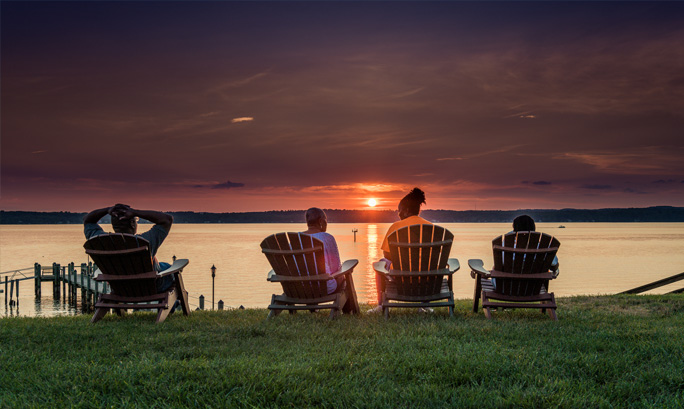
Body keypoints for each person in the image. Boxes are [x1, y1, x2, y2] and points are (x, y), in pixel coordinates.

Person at [83, 203, 175, 292]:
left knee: (163, 265)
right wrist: (135, 212)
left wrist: (107, 210)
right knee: (171, 270)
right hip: (150, 287)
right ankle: (176, 304)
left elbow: (88, 220)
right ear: (132, 224)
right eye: (136, 220)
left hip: (119, 289)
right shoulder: (144, 241)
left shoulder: (100, 241)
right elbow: (167, 219)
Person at [369, 187, 432, 313]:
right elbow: (434, 256)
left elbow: (387, 255)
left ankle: (381, 305)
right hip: (426, 280)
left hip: (401, 279)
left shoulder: (396, 227)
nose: (398, 213)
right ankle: (425, 305)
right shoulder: (430, 227)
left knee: (381, 262)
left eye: (400, 210)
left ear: (407, 210)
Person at [302, 207, 342, 294]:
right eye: (325, 220)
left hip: (300, 288)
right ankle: (347, 308)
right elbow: (335, 268)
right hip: (324, 287)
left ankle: (313, 307)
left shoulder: (296, 239)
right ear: (320, 221)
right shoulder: (327, 238)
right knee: (343, 276)